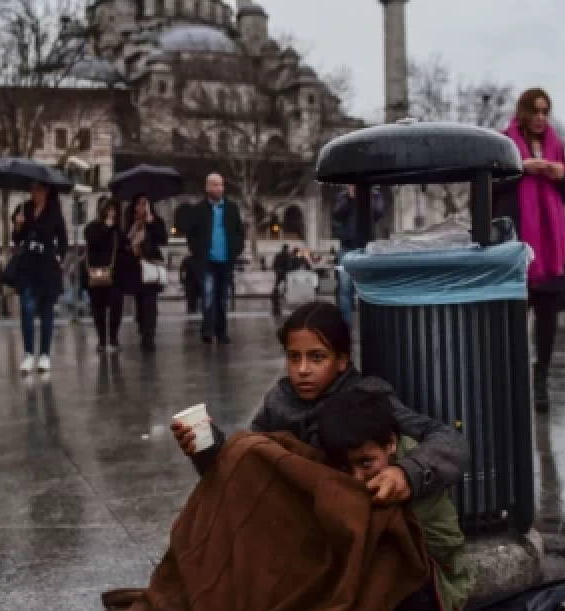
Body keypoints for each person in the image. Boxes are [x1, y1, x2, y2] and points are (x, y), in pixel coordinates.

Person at [171, 301, 467, 505]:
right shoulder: (279, 401)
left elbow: (448, 440)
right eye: (293, 357)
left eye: (317, 357)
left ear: (341, 360)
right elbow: (249, 468)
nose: (302, 370)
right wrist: (209, 447)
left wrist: (406, 473)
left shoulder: (367, 396)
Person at [314, 389, 474, 611]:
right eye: (347, 467)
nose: (358, 478)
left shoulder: (411, 468)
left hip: (434, 585)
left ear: (390, 444)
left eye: (366, 463)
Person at [499, 88, 565, 413]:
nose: (540, 117)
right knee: (514, 318)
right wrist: (522, 169)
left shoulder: (557, 146)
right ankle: (513, 380)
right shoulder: (504, 143)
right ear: (523, 112)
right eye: (534, 111)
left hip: (549, 247)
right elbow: (490, 186)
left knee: (547, 318)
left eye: (545, 111)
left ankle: (541, 378)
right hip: (518, 243)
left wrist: (562, 176)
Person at [11, 182, 68, 373]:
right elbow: (17, 238)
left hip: (47, 265)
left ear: (46, 191)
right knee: (27, 307)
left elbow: (63, 239)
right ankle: (28, 353)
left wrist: (59, 256)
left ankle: (44, 354)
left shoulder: (54, 211)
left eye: (39, 189)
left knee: (46, 311)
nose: (35, 193)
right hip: (28, 264)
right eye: (32, 189)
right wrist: (18, 226)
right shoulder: (23, 208)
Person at [182, 173, 245, 345]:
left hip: (226, 259)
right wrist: (197, 252)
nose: (219, 188)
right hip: (207, 260)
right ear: (207, 187)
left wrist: (236, 249)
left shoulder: (232, 209)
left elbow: (239, 232)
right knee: (208, 296)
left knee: (222, 298)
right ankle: (207, 330)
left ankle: (222, 332)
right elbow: (191, 234)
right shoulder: (199, 210)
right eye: (215, 185)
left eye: (221, 185)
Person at [332, 185, 385, 327]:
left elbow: (378, 212)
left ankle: (370, 325)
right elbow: (337, 213)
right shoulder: (344, 196)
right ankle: (345, 326)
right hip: (347, 247)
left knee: (368, 288)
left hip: (367, 248)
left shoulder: (375, 194)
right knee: (345, 288)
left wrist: (366, 197)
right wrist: (350, 198)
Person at [82, 198, 129, 353]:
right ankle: (102, 339)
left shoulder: (118, 231)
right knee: (98, 307)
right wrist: (105, 229)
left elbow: (124, 247)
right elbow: (93, 241)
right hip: (96, 272)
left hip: (115, 275)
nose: (111, 213)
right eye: (108, 210)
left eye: (114, 210)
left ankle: (113, 338)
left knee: (116, 306)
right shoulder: (92, 228)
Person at [125, 193, 169, 352]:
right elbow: (125, 241)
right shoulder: (130, 221)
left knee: (150, 301)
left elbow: (162, 239)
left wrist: (151, 224)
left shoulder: (155, 221)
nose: (141, 207)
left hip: (150, 264)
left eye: (145, 203)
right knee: (140, 302)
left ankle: (149, 336)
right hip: (135, 267)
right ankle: (142, 327)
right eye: (139, 204)